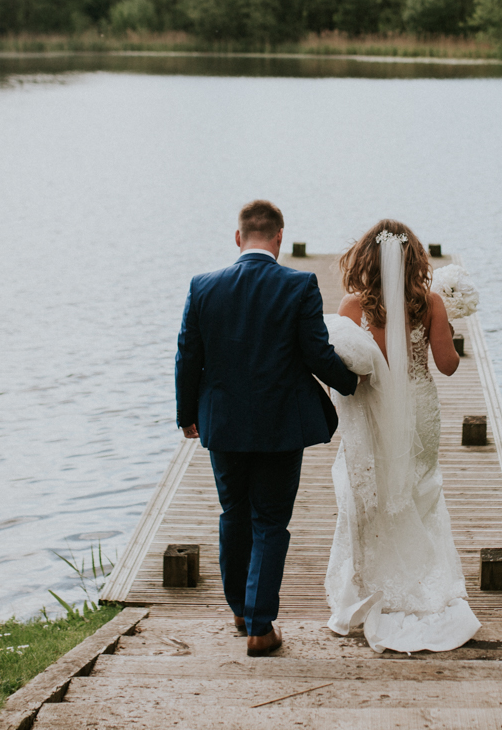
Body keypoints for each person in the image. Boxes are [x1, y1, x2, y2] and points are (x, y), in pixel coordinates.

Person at [174, 199, 358, 657]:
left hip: (223, 424)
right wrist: (355, 383)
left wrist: (186, 415)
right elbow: (317, 354)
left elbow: (187, 356)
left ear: (238, 238)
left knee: (234, 514)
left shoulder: (203, 286)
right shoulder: (299, 285)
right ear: (279, 237)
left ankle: (240, 610)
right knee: (270, 520)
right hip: (280, 425)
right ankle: (259, 625)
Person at [324, 219, 481, 653]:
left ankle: (375, 588)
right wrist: (449, 323)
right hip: (419, 407)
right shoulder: (429, 302)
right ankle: (425, 586)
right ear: (414, 259)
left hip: (374, 407)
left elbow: (342, 371)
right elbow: (447, 365)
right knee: (420, 491)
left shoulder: (353, 307)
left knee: (374, 493)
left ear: (365, 259)